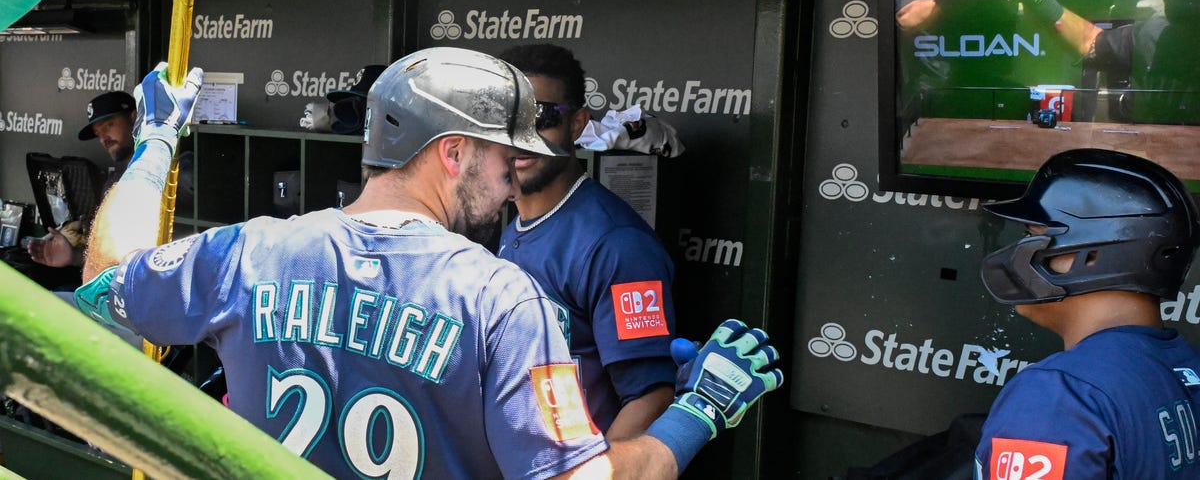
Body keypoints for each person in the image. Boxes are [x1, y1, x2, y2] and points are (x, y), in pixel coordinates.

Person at [75, 48, 782, 479]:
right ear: (451, 152)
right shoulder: (502, 297)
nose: (512, 179)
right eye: (503, 157)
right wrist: (698, 411)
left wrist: (155, 144)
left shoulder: (251, 251)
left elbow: (104, 279)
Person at [975, 148, 1200, 479]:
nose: (1016, 252)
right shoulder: (1186, 366)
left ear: (1092, 255)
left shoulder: (1061, 397)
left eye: (1031, 236)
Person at [496, 43, 676, 439]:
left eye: (540, 117)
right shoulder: (516, 227)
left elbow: (652, 396)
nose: (521, 139)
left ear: (576, 125)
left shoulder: (616, 244)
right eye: (508, 120)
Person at [27, 90, 135, 269]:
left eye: (109, 125)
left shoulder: (175, 169)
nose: (103, 139)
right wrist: (75, 257)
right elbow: (111, 261)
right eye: (98, 133)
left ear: (134, 118)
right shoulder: (113, 185)